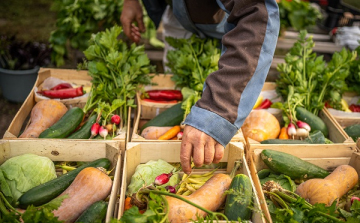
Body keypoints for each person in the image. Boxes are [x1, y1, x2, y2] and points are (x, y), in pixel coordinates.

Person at [121, 0, 280, 174]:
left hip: (229, 24)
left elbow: (256, 15)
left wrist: (216, 111)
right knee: (178, 78)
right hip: (178, 14)